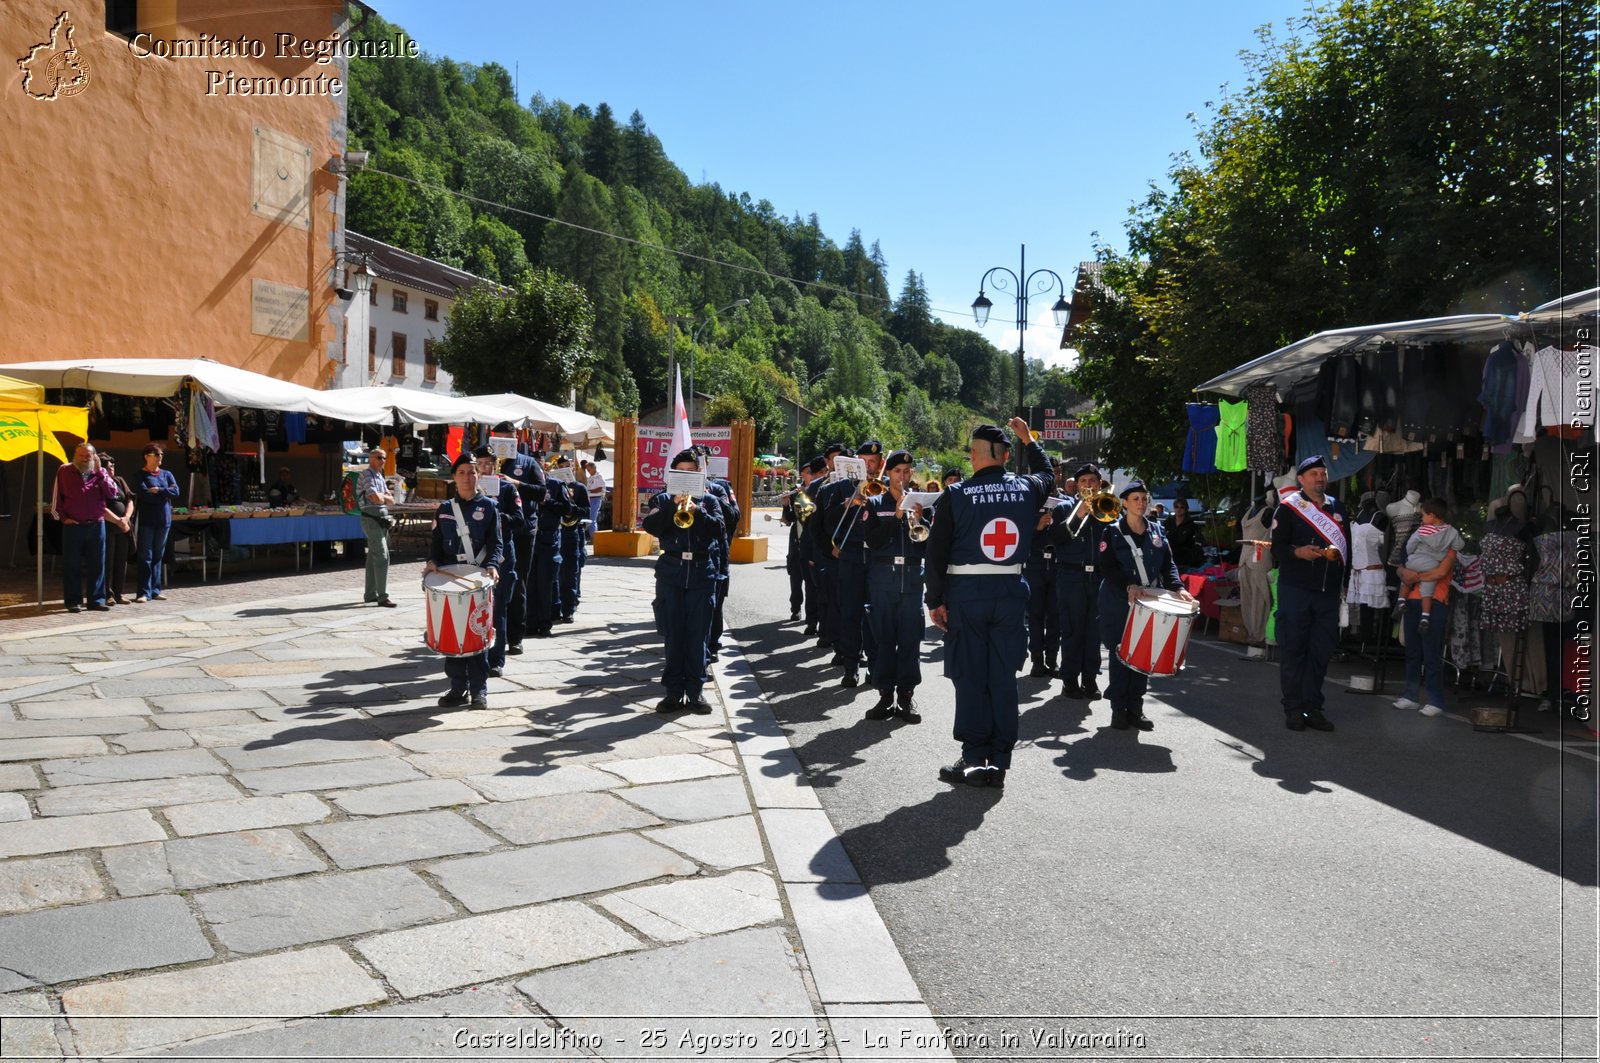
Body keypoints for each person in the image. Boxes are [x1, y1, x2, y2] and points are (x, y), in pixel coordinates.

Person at [925, 418, 1054, 788]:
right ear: (1007, 455)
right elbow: (1047, 473)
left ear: (974, 456)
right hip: (1010, 592)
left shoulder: (956, 494)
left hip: (966, 594)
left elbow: (936, 551)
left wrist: (934, 599)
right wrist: (1029, 439)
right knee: (1002, 677)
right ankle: (998, 761)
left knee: (969, 676)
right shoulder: (1027, 488)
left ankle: (972, 758)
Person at [1096, 482, 1198, 730]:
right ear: (1125, 503)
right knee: (1122, 655)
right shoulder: (1112, 532)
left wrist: (1179, 588)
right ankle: (1118, 709)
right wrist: (1128, 585)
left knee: (1143, 655)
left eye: (1144, 498)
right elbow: (1107, 568)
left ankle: (1136, 708)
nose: (1141, 503)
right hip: (1119, 600)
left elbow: (1168, 566)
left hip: (1148, 599)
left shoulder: (1157, 531)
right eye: (1135, 499)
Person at [641, 448, 727, 714]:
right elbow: (652, 526)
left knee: (697, 636)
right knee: (673, 635)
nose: (687, 475)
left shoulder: (710, 501)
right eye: (682, 471)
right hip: (671, 571)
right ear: (673, 473)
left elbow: (720, 529)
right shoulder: (662, 499)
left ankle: (696, 691)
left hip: (702, 571)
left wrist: (696, 511)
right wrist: (672, 505)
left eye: (692, 471)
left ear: (700, 473)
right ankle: (673, 693)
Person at [1269, 455, 1349, 732]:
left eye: (1323, 473)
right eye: (1314, 473)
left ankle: (1313, 708)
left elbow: (1346, 551)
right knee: (1294, 650)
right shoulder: (1289, 508)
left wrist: (1345, 585)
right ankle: (1293, 709)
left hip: (1327, 594)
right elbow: (1276, 548)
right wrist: (1297, 552)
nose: (1319, 478)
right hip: (1296, 590)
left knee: (1321, 652)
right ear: (1301, 479)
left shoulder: (1338, 508)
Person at [424, 455, 502, 709]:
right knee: (451, 634)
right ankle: (458, 688)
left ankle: (479, 690)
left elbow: (496, 543)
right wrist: (432, 562)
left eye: (472, 472)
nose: (467, 477)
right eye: (462, 473)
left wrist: (493, 565)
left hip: (477, 579)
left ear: (478, 476)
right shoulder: (445, 508)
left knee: (476, 634)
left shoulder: (489, 507)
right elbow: (436, 541)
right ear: (454, 477)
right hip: (450, 579)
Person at [860, 449, 930, 722]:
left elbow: (927, 546)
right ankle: (885, 695)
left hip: (912, 580)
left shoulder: (922, 504)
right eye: (897, 471)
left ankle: (906, 697)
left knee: (911, 641)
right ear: (888, 473)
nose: (902, 476)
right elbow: (873, 541)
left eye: (906, 471)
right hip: (883, 580)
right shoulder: (875, 503)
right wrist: (898, 517)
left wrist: (920, 519)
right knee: (885, 640)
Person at [819, 440, 884, 688]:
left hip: (877, 558)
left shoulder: (885, 489)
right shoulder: (838, 489)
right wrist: (849, 503)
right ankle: (850, 666)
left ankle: (876, 666)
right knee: (850, 612)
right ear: (856, 463)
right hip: (852, 556)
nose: (870, 466)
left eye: (874, 463)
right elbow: (827, 523)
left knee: (874, 615)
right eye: (865, 462)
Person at [1049, 464, 1110, 699]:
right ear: (1076, 485)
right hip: (1071, 576)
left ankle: (1090, 678)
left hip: (1098, 577)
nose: (1088, 485)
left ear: (1099, 484)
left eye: (1092, 481)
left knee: (1094, 631)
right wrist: (1081, 513)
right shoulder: (1064, 508)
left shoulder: (1106, 509)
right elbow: (1056, 538)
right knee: (1072, 629)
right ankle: (1070, 679)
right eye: (1083, 481)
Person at [1394, 507, 1458, 718]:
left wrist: (1412, 577)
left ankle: (1435, 700)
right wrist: (1406, 573)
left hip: (1436, 602)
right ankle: (1411, 696)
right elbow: (1399, 566)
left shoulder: (1450, 543)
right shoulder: (1419, 537)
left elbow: (1441, 572)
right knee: (1412, 652)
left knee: (1431, 654)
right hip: (1413, 601)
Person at [51, 443, 128, 613]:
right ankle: (73, 601)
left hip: (96, 524)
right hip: (73, 526)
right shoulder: (64, 470)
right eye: (82, 455)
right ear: (75, 456)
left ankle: (97, 600)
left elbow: (112, 493)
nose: (85, 459)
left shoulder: (100, 472)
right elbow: (57, 498)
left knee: (98, 564)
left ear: (95, 457)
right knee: (72, 565)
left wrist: (101, 472)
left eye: (89, 456)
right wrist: (63, 518)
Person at [474, 447, 524, 677]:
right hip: (475, 554)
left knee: (498, 607)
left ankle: (496, 659)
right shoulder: (470, 488)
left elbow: (518, 520)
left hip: (503, 553)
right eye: (483, 463)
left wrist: (495, 513)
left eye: (490, 463)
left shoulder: (506, 487)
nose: (487, 468)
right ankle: (474, 654)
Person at [499, 445, 547, 651]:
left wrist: (516, 483)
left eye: (509, 437)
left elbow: (541, 492)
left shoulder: (528, 463)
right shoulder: (487, 463)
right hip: (491, 532)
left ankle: (515, 636)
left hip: (522, 531)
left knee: (518, 584)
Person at [1399, 498, 1465, 634]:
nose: (1421, 518)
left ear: (1432, 515)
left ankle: (1400, 601)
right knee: (1428, 587)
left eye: (1423, 515)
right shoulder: (1451, 534)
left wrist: (1411, 575)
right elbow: (1439, 572)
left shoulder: (1421, 531)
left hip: (1416, 596)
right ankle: (1425, 616)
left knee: (1414, 651)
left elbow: (1408, 550)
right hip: (1434, 595)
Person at [129, 444, 177, 604]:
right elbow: (144, 494)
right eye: (155, 454)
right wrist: (163, 492)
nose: (159, 457)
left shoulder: (167, 474)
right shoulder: (139, 475)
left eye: (161, 454)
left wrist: (160, 490)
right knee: (145, 557)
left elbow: (176, 491)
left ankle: (155, 590)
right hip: (147, 521)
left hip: (164, 521)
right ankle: (143, 592)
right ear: (146, 456)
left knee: (158, 556)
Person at [357, 448, 396, 608]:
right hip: (371, 517)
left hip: (381, 518)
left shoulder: (379, 476)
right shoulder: (366, 474)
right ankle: (382, 596)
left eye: (384, 458)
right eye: (379, 457)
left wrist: (383, 498)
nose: (382, 460)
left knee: (373, 556)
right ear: (371, 458)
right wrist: (383, 498)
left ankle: (370, 594)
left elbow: (390, 500)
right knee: (382, 555)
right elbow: (374, 497)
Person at [553, 456, 589, 623]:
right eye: (563, 466)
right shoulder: (553, 487)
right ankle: (556, 606)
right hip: (557, 530)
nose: (568, 468)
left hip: (572, 531)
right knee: (556, 571)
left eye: (569, 466)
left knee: (571, 571)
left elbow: (585, 511)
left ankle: (569, 608)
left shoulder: (580, 488)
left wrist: (571, 502)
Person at [781, 464, 817, 624]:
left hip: (811, 544)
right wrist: (785, 503)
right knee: (795, 580)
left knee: (812, 583)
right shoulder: (797, 491)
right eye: (807, 474)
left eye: (811, 473)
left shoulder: (818, 492)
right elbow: (788, 519)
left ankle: (813, 616)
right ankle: (795, 609)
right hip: (796, 542)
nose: (809, 477)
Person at [100, 455, 135, 606]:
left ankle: (119, 593)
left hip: (123, 526)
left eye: (113, 465)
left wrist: (126, 518)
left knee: (121, 560)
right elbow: (100, 506)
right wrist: (117, 520)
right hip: (108, 526)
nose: (111, 468)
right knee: (108, 561)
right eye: (108, 466)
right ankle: (107, 594)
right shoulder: (98, 482)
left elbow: (130, 500)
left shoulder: (119, 480)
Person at [1165, 499, 1207, 570]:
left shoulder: (1191, 524)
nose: (1179, 509)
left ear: (1186, 508)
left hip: (1184, 560)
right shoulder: (1168, 522)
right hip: (1169, 558)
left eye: (1182, 507)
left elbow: (1198, 541)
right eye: (1176, 507)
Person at [584, 460, 606, 544]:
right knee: (591, 519)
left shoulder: (599, 476)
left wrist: (588, 491)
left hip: (596, 498)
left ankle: (594, 538)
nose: (588, 471)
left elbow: (600, 488)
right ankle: (593, 537)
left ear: (594, 468)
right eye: (587, 470)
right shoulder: (591, 477)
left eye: (589, 469)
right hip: (591, 498)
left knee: (592, 519)